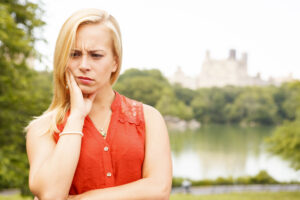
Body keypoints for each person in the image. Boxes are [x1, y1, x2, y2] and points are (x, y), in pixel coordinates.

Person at [25, 8, 172, 200]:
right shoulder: (43, 128)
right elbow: (51, 195)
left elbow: (159, 190)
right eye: (74, 54)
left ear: (115, 63)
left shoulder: (149, 118)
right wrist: (76, 117)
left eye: (96, 55)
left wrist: (83, 198)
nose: (84, 65)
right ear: (63, 59)